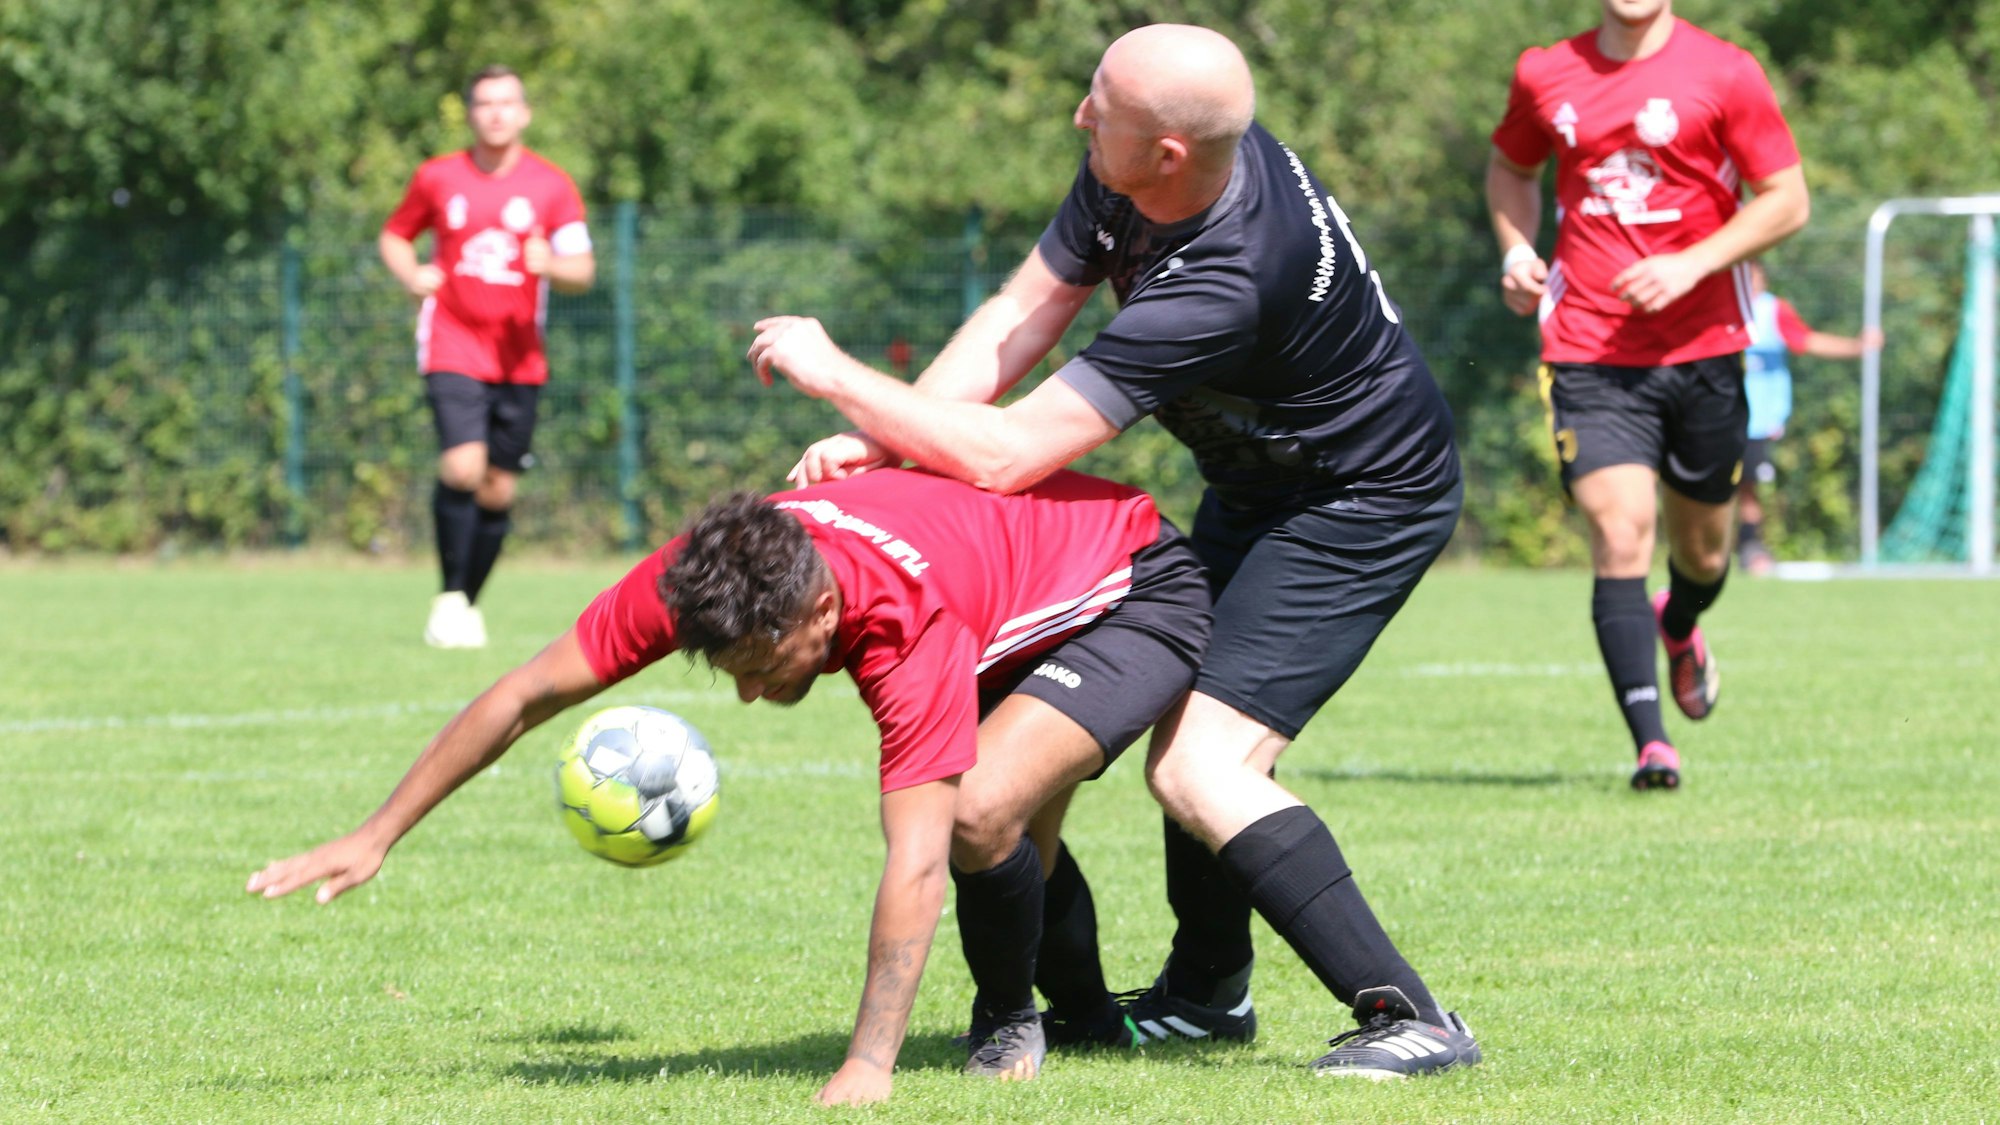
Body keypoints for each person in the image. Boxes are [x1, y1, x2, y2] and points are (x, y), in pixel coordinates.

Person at [749, 23, 1480, 1079]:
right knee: (1187, 740)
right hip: (1258, 485)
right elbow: (1018, 311)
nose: (1079, 116)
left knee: (1198, 764)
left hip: (1360, 502)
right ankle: (1205, 996)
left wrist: (837, 375)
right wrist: (886, 432)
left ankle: (1409, 1017)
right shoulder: (1141, 170)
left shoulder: (1229, 275)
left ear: (1170, 150)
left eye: (1103, 108)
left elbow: (1005, 457)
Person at [246, 467, 1211, 1106]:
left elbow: (914, 863)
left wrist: (869, 1065)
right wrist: (377, 832)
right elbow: (523, 693)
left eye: (763, 663)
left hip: (1113, 577)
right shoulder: (703, 578)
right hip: (999, 575)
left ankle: (1013, 1020)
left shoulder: (897, 627)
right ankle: (1083, 1020)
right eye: (728, 671)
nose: (749, 694)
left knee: (977, 813)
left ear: (821, 608)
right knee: (1012, 827)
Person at [1484, 0, 1811, 790]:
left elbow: (1787, 198)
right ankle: (1651, 745)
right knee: (1619, 529)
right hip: (1589, 349)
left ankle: (1682, 620)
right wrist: (1518, 250)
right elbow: (1510, 169)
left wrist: (1692, 263)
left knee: (1704, 553)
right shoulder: (1545, 70)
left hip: (1703, 352)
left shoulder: (1726, 71)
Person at [380, 65, 595, 649]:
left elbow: (582, 269)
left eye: (507, 103)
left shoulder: (552, 186)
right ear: (470, 113)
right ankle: (450, 596)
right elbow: (395, 234)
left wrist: (548, 263)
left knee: (499, 488)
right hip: (452, 343)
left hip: (521, 359)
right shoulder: (437, 177)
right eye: (484, 103)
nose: (496, 113)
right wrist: (410, 273)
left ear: (524, 113)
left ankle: (465, 603)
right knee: (463, 467)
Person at [1738, 261, 1881, 573]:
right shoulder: (1715, 310)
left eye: (1755, 277)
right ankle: (1708, 551)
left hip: (1756, 420)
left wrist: (1856, 347)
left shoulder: (1772, 310)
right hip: (1712, 415)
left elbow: (1806, 340)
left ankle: (1750, 547)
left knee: (1748, 486)